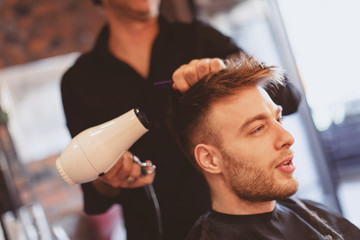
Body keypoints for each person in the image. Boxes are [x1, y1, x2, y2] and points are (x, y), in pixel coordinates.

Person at [60, 0, 300, 239]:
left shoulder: (201, 39)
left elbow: (289, 99)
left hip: (239, 224)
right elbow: (95, 192)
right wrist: (111, 177)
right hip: (154, 230)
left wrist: (228, 70)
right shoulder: (79, 82)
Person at [168, 54, 360, 240]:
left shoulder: (313, 214)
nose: (288, 137)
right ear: (210, 159)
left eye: (278, 119)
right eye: (258, 128)